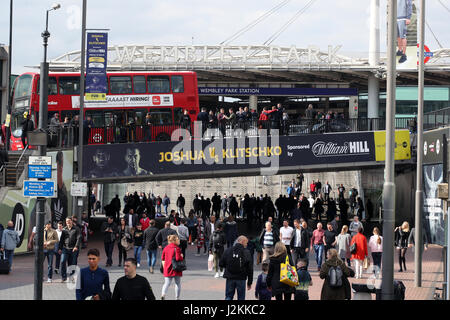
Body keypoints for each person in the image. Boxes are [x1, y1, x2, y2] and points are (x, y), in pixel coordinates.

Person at [219, 236, 253, 300]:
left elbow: (221, 263)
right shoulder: (246, 252)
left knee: (228, 296)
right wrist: (249, 282)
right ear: (242, 242)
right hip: (241, 278)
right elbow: (250, 268)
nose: (246, 244)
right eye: (246, 243)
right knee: (241, 297)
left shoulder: (228, 250)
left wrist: (228, 267)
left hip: (230, 277)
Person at [161, 235, 184, 300]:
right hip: (176, 268)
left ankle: (163, 294)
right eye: (178, 239)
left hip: (168, 267)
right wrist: (182, 256)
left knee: (167, 283)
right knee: (177, 283)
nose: (179, 240)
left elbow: (163, 258)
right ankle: (177, 297)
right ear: (174, 241)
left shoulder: (166, 248)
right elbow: (177, 258)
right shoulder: (177, 248)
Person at [58, 218, 82, 282]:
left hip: (73, 249)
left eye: (69, 221)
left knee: (72, 263)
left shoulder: (76, 229)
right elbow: (61, 240)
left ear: (71, 221)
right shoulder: (64, 230)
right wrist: (60, 248)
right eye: (67, 221)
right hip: (65, 248)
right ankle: (64, 277)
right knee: (63, 261)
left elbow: (79, 238)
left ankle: (72, 277)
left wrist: (76, 246)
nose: (68, 222)